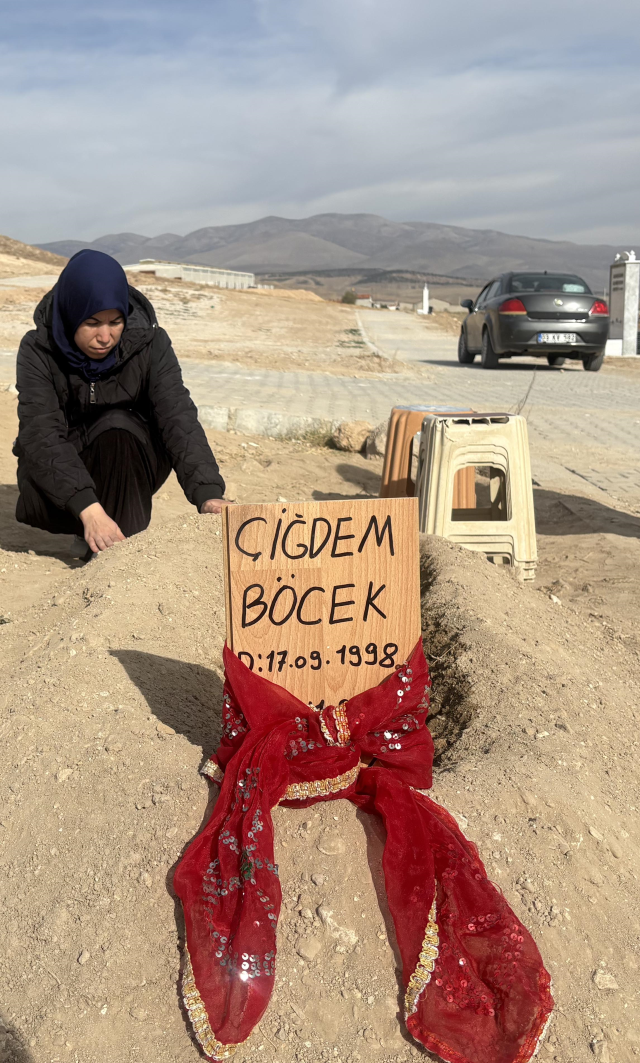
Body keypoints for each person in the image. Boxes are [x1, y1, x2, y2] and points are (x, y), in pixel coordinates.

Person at [14, 249, 229, 558]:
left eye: (115, 322)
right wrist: (87, 509)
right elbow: (41, 434)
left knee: (118, 426)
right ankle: (93, 525)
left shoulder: (150, 344)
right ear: (71, 313)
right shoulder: (37, 351)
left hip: (132, 464)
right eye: (91, 323)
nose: (105, 337)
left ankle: (119, 557)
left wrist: (208, 493)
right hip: (63, 474)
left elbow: (177, 416)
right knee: (68, 453)